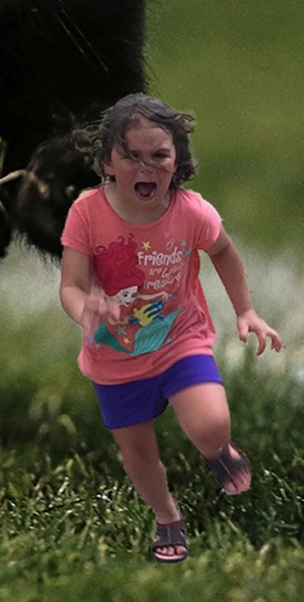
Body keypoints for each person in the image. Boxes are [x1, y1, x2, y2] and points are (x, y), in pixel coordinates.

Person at [59, 94, 282, 564]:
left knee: (211, 424)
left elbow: (222, 251)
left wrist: (245, 311)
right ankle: (167, 517)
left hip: (181, 340)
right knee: (140, 456)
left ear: (177, 160)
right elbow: (72, 286)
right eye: (131, 155)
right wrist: (86, 310)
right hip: (114, 357)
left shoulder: (192, 212)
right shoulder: (86, 213)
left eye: (159, 155)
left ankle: (218, 450)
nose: (147, 166)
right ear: (108, 163)